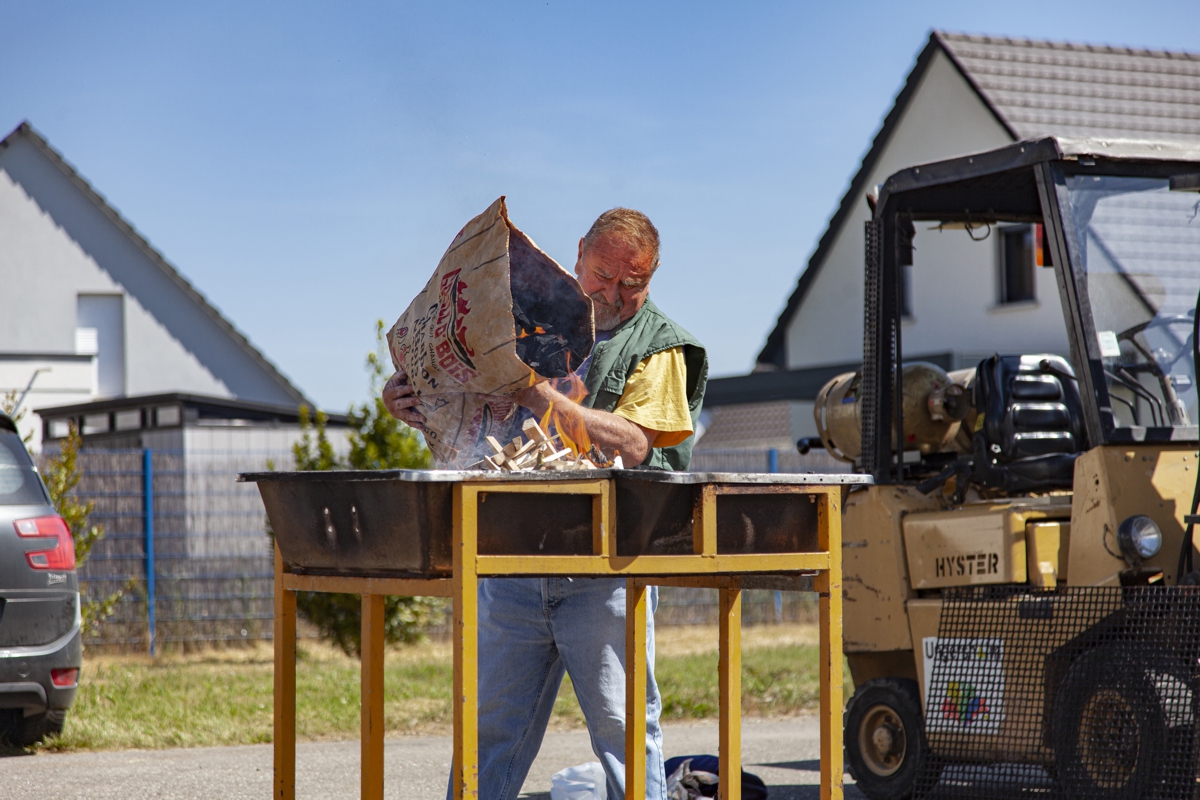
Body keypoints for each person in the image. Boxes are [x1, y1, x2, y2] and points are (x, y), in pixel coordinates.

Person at [384, 208, 708, 800]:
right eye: (603, 274)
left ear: (652, 277)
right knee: (487, 736)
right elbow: (471, 404)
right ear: (579, 253)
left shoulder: (659, 345)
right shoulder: (528, 317)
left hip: (606, 570)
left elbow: (635, 444)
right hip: (511, 563)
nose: (614, 293)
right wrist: (410, 396)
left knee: (624, 733)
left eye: (633, 282)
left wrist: (535, 396)